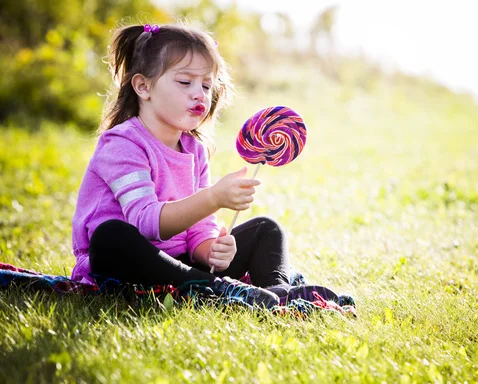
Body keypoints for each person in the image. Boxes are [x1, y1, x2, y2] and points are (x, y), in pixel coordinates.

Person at [70, 22, 338, 308]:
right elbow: (147, 224)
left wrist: (211, 251)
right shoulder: (123, 144)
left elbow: (198, 231)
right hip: (131, 267)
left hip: (183, 268)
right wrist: (214, 198)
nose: (199, 94)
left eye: (206, 85)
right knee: (110, 237)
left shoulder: (193, 149)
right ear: (143, 86)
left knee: (265, 229)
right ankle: (220, 290)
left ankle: (276, 294)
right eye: (185, 82)